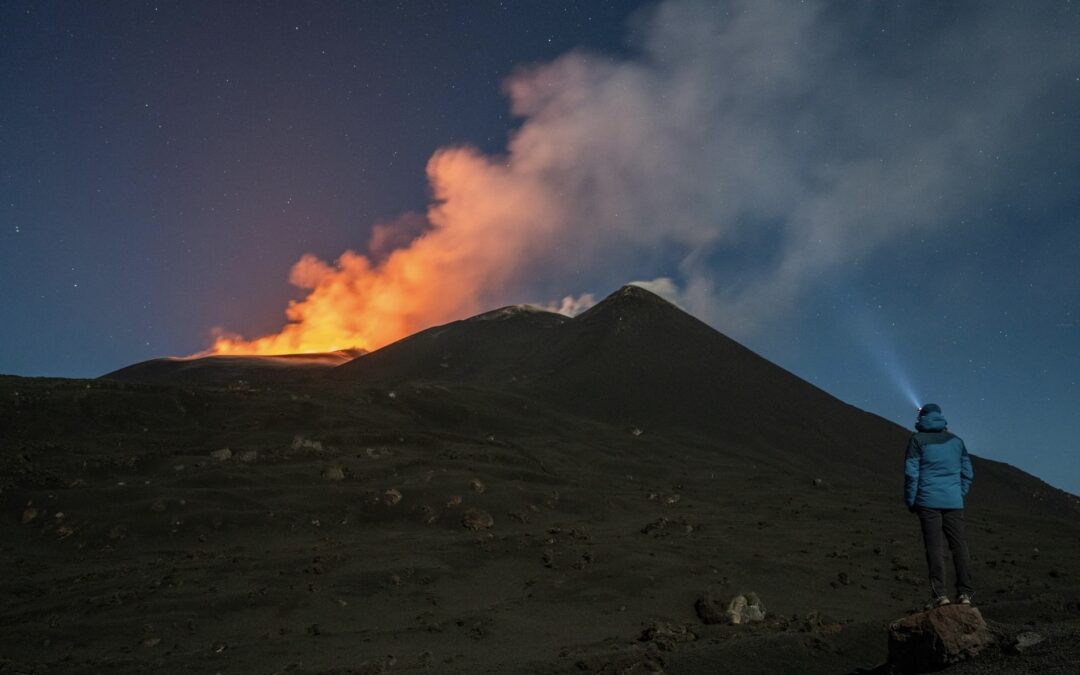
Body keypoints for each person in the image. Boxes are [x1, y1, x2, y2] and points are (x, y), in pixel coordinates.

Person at [904, 402, 975, 608]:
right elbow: (968, 473)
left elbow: (911, 473)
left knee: (934, 548)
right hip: (953, 501)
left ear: (922, 418)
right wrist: (958, 493)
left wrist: (911, 500)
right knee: (959, 545)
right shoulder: (957, 441)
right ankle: (965, 594)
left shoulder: (917, 440)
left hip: (927, 501)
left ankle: (940, 595)